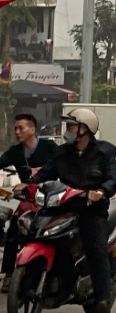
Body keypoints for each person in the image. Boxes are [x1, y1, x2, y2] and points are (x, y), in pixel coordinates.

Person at [16, 110, 116, 313]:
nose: (68, 131)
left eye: (72, 127)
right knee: (31, 230)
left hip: (91, 210)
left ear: (85, 130)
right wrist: (26, 185)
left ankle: (103, 299)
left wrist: (100, 191)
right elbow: (45, 174)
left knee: (96, 250)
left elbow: (112, 178)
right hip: (63, 206)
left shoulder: (104, 152)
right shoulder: (62, 152)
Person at [0, 114, 57, 291]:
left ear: (33, 129)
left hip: (51, 201)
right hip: (27, 202)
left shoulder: (50, 148)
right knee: (13, 233)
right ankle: (9, 276)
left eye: (21, 128)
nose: (17, 132)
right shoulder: (15, 152)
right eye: (15, 128)